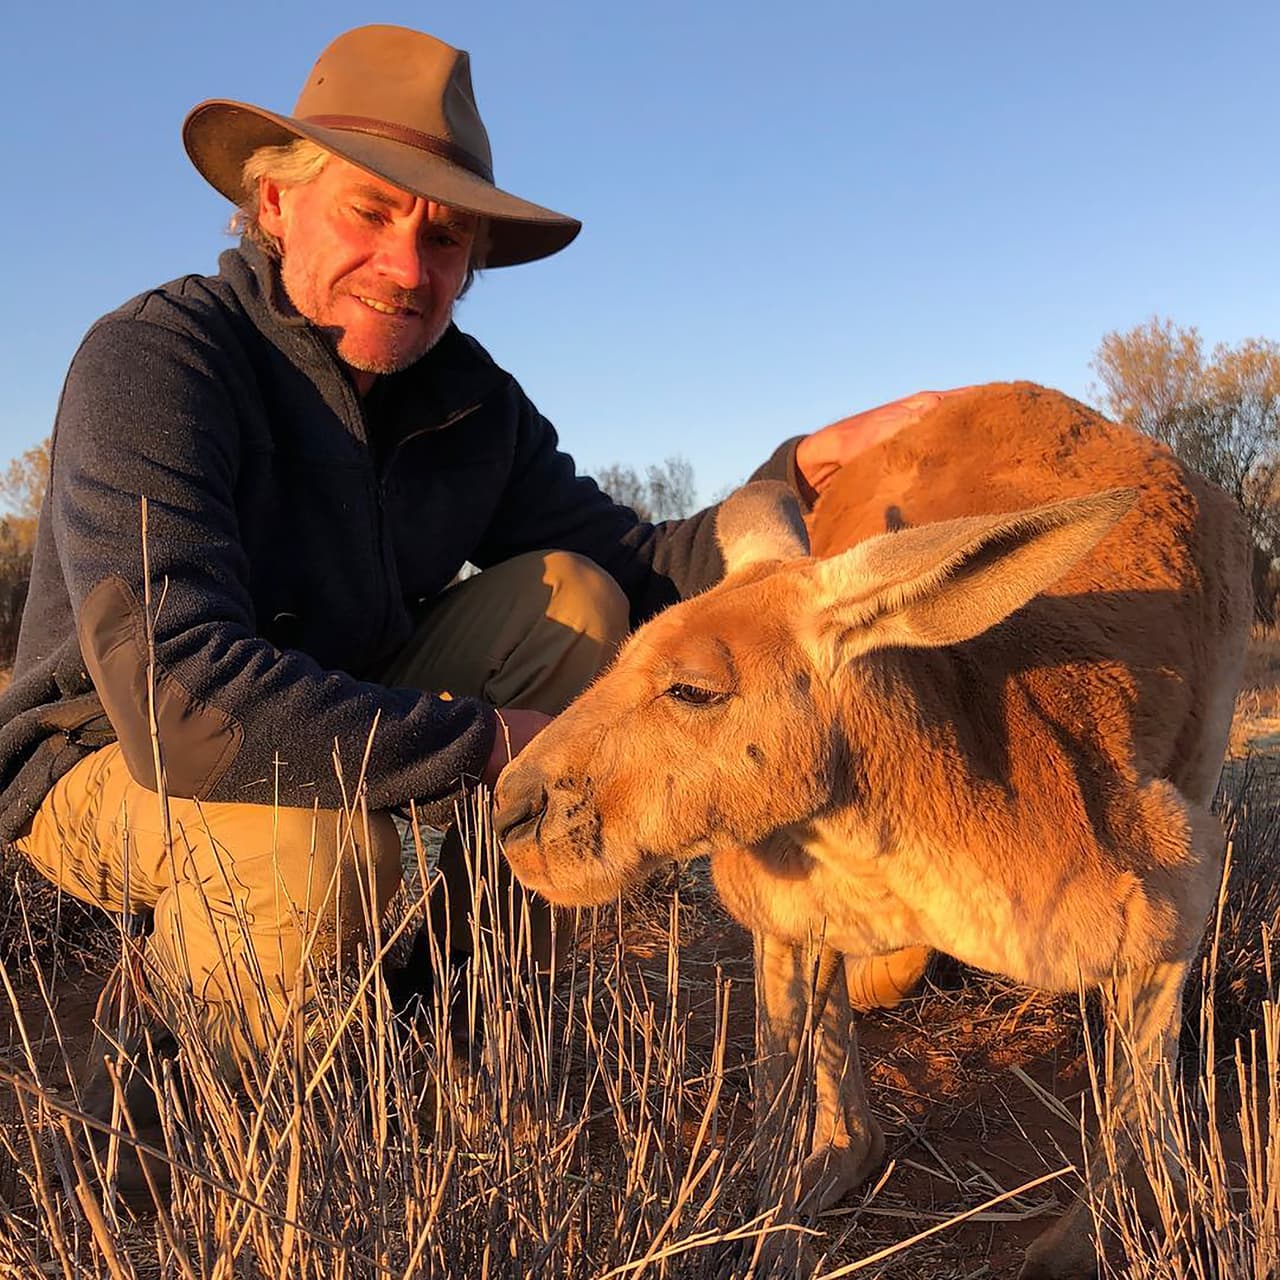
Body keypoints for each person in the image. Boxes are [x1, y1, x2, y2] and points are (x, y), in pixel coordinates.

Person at [0, 23, 955, 1198]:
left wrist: (791, 471)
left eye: (443, 232)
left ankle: (439, 1012)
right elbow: (173, 697)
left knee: (573, 594)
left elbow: (640, 563)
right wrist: (503, 746)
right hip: (107, 753)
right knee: (321, 839)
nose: (408, 265)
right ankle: (170, 1112)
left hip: (338, 711)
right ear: (272, 202)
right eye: (369, 210)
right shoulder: (157, 359)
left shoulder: (470, 399)